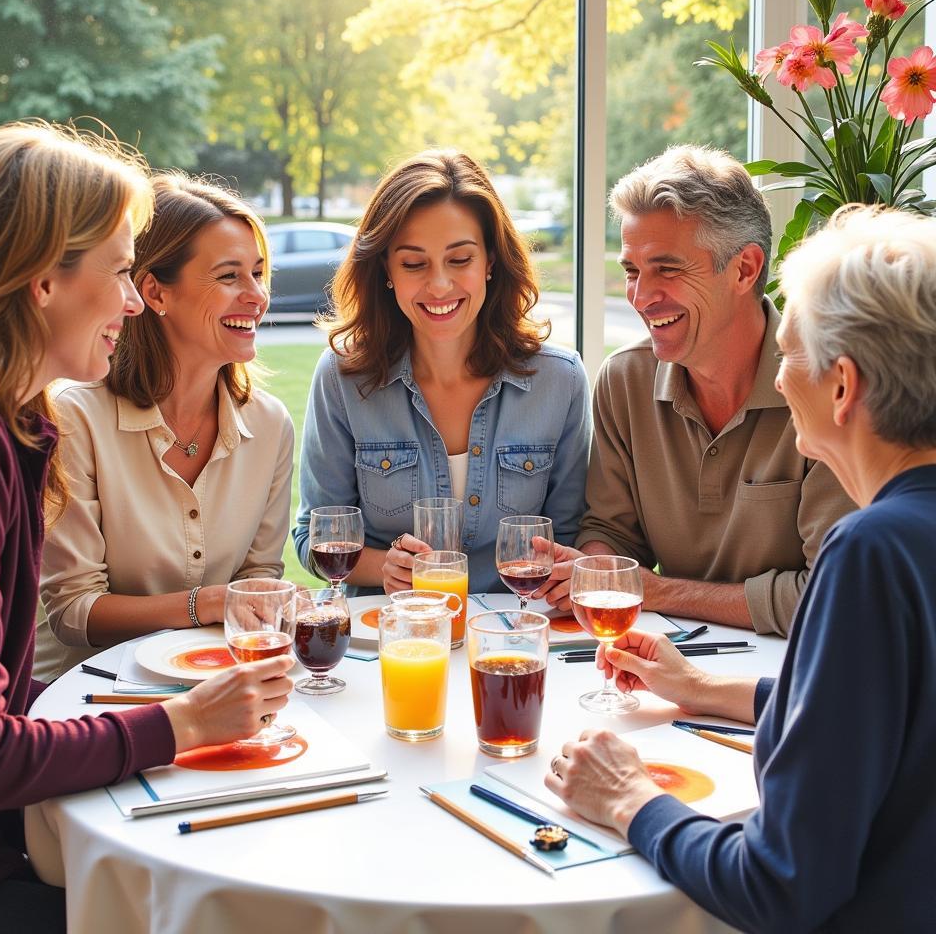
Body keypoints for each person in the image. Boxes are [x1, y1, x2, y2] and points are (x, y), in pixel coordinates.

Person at [0, 124, 293, 933]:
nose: (131, 299)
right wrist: (181, 724)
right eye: (122, 272)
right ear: (44, 280)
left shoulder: (0, 421)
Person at [546, 206, 936, 932]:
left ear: (842, 386)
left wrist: (628, 799)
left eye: (789, 354)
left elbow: (781, 884)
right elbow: (881, 716)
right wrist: (698, 685)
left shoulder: (870, 552)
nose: (781, 382)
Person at [540, 145, 852, 634]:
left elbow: (830, 596)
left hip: (797, 669)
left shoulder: (823, 388)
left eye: (667, 269)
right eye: (630, 271)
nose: (641, 297)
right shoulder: (625, 382)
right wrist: (596, 567)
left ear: (745, 270)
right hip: (670, 660)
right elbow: (612, 532)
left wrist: (656, 590)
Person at [293, 149, 592, 595]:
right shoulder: (342, 377)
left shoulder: (560, 380)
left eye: (460, 259)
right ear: (387, 271)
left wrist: (572, 573)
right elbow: (312, 539)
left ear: (490, 261)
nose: (438, 285)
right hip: (384, 638)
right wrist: (385, 568)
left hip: (510, 637)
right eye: (414, 263)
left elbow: (569, 538)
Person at [34, 174, 294, 681]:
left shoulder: (269, 424)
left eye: (259, 274)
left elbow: (260, 578)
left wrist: (260, 602)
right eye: (229, 277)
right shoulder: (76, 418)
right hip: (80, 697)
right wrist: (206, 605)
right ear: (154, 292)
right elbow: (73, 612)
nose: (256, 296)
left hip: (210, 682)